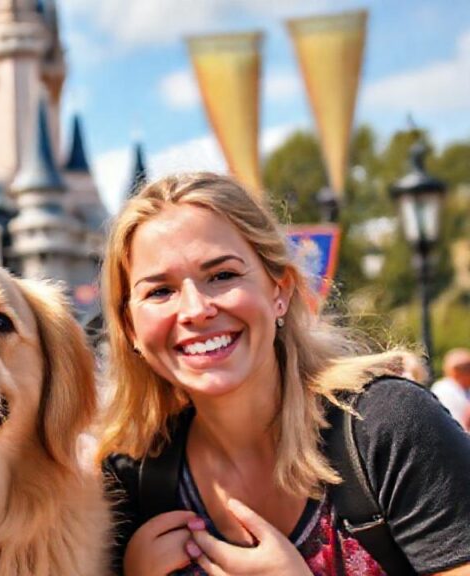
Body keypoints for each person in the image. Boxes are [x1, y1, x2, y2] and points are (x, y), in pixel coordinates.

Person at [99, 173, 470, 575]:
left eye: (222, 275)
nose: (194, 309)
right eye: (160, 291)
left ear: (280, 291)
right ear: (131, 328)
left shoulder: (389, 428)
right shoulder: (127, 482)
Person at [431, 348, 470, 431]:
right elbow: (454, 424)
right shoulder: (443, 389)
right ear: (454, 370)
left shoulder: (466, 388)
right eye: (466, 368)